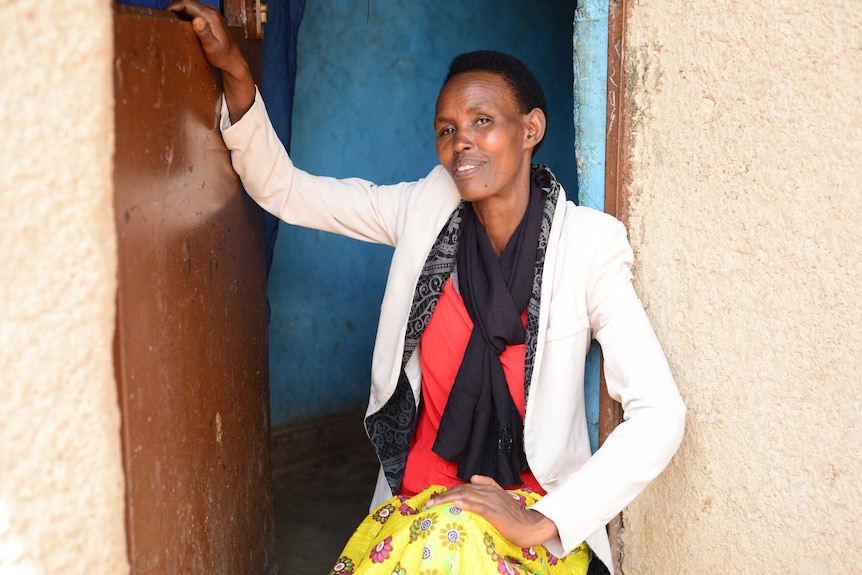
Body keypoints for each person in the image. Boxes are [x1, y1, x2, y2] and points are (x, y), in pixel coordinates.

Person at [166, 2, 686, 573]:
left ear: (531, 129)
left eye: (483, 121)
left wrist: (545, 520)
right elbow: (286, 191)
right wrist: (238, 76)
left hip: (531, 524)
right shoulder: (423, 209)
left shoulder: (588, 246)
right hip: (417, 513)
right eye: (447, 129)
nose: (462, 141)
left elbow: (659, 412)